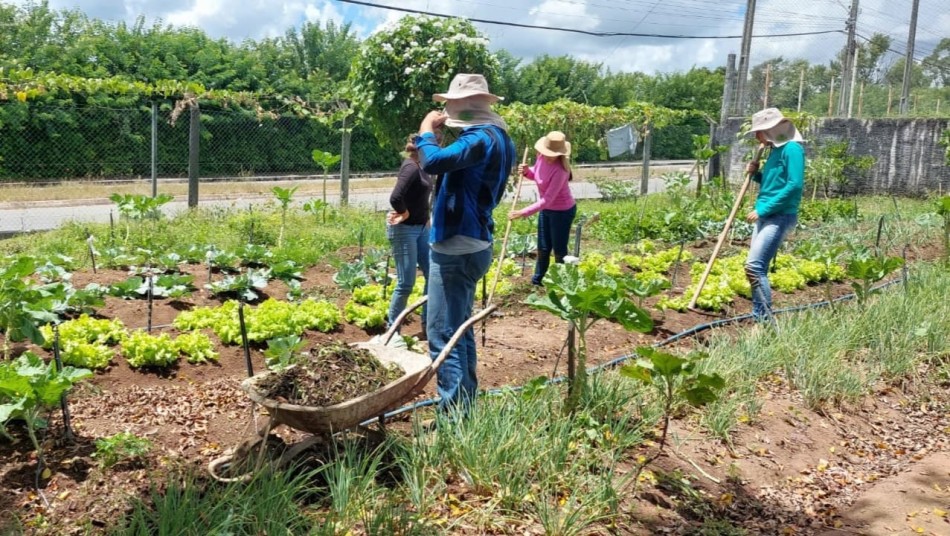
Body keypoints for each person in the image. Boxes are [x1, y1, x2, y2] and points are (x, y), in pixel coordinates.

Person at [413, 73, 516, 413]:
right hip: (476, 242)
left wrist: (426, 131)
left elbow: (435, 161)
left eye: (450, 105)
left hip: (456, 246)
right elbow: (448, 166)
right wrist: (434, 142)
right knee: (460, 331)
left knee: (442, 335)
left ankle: (454, 422)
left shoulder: (479, 139)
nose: (445, 110)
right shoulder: (497, 137)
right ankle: (465, 409)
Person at [744, 107, 805, 322]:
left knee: (753, 267)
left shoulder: (792, 150)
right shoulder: (775, 151)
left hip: (779, 216)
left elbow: (794, 186)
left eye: (759, 131)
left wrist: (763, 209)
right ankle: (760, 317)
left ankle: (764, 321)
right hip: (767, 215)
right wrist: (756, 175)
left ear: (772, 129)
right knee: (757, 269)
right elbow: (773, 184)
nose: (756, 136)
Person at [509, 131, 577, 286]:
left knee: (559, 249)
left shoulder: (561, 171)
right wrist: (527, 172)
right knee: (543, 247)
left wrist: (522, 212)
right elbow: (538, 176)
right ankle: (537, 281)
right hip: (546, 210)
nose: (548, 156)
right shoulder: (541, 157)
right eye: (547, 152)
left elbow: (547, 199)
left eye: (552, 154)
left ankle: (563, 283)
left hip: (562, 211)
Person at [385, 133, 433, 331]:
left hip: (421, 228)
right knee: (406, 283)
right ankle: (392, 331)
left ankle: (428, 325)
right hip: (405, 230)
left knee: (433, 275)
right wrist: (404, 214)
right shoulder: (410, 167)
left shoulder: (424, 167)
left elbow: (420, 197)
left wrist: (426, 217)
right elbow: (396, 197)